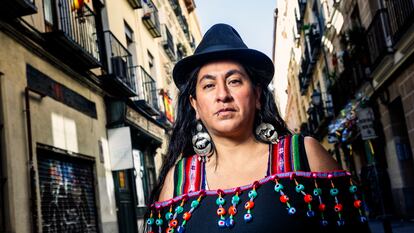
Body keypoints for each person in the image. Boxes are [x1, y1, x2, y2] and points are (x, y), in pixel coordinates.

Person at [145, 24, 370, 233]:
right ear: (195, 105)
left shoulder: (304, 155)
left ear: (258, 95)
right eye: (209, 85)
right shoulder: (179, 179)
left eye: (234, 81)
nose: (222, 95)